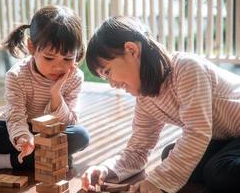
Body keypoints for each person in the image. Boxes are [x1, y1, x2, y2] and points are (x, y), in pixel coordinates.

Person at [81, 16, 240, 193]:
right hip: (227, 136)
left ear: (131, 50)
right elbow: (138, 150)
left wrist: (157, 182)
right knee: (169, 155)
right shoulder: (146, 98)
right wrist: (105, 169)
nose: (111, 83)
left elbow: (197, 132)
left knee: (218, 171)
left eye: (108, 71)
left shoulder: (186, 68)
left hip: (231, 131)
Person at [0, 5, 89, 172]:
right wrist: (24, 138)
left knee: (80, 136)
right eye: (49, 58)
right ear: (32, 47)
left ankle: (7, 161)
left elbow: (70, 121)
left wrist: (56, 95)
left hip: (52, 132)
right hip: (21, 128)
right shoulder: (17, 75)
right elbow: (15, 117)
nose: (58, 67)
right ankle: (54, 158)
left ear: (77, 53)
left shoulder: (74, 77)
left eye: (67, 59)